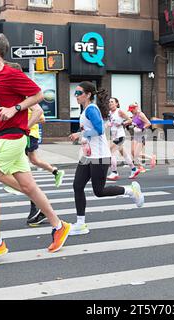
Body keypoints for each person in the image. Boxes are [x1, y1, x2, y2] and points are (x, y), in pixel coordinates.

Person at [0, 31, 70, 262]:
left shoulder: (11, 74)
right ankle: (59, 225)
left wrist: (17, 109)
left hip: (13, 138)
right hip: (4, 135)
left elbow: (38, 95)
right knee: (29, 188)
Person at [68, 82, 144, 236]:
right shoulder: (85, 111)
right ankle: (81, 224)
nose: (76, 96)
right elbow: (89, 128)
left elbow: (99, 129)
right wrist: (81, 136)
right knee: (77, 186)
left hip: (100, 156)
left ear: (88, 94)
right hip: (88, 156)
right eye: (75, 93)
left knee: (99, 191)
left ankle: (131, 191)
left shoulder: (91, 109)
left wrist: (80, 135)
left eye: (79, 93)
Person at [0, 61, 65, 226]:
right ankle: (39, 205)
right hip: (12, 138)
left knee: (1, 172)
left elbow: (39, 112)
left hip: (24, 136)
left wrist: (23, 128)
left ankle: (38, 201)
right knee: (19, 172)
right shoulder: (11, 92)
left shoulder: (23, 92)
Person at [106, 97, 140, 180]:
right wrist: (109, 124)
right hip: (114, 136)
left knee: (110, 151)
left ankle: (114, 172)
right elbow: (111, 122)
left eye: (112, 102)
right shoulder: (110, 113)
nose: (110, 103)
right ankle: (134, 169)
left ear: (117, 103)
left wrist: (122, 123)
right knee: (123, 153)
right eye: (109, 102)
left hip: (120, 136)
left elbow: (130, 120)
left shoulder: (119, 111)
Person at [126, 102, 156, 173]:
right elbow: (135, 123)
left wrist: (142, 128)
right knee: (133, 152)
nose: (131, 111)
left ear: (136, 108)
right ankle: (142, 166)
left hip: (141, 136)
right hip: (135, 135)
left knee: (136, 154)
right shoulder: (133, 115)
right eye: (130, 110)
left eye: (132, 110)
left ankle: (150, 159)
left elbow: (148, 123)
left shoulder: (141, 114)